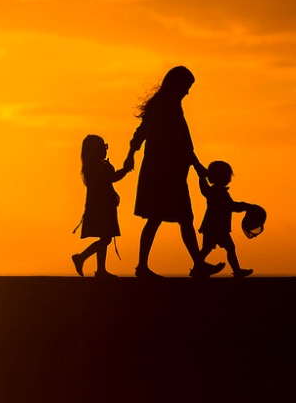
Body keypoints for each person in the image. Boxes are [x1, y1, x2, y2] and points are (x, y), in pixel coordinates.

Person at [123, 66, 224, 278]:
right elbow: (153, 135)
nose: (187, 92)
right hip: (162, 173)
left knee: (177, 218)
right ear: (177, 85)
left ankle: (195, 264)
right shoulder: (163, 106)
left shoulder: (169, 105)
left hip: (172, 172)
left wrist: (195, 165)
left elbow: (183, 143)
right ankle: (147, 266)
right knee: (164, 218)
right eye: (186, 87)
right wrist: (131, 153)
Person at [72, 135, 132, 278]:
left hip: (99, 206)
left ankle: (101, 270)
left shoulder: (91, 167)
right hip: (102, 207)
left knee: (104, 237)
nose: (106, 150)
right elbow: (111, 178)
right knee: (105, 239)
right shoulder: (97, 167)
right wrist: (125, 170)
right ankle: (81, 258)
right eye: (103, 147)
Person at [198, 161, 254, 278]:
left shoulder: (213, 192)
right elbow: (231, 206)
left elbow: (203, 188)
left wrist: (202, 176)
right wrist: (246, 206)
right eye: (228, 176)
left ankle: (197, 268)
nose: (230, 179)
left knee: (208, 249)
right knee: (228, 248)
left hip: (212, 227)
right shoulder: (219, 193)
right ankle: (237, 271)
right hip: (217, 228)